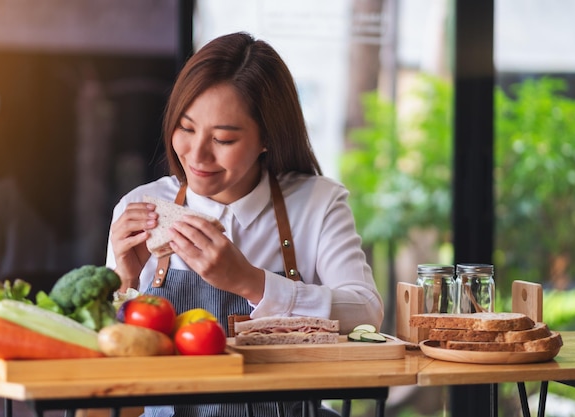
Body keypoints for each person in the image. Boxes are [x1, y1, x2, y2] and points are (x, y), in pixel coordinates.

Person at [106, 32, 384, 417]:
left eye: (223, 138)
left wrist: (249, 281)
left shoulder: (318, 203)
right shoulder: (139, 207)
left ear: (267, 138)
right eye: (186, 129)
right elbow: (106, 352)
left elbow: (367, 311)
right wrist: (125, 280)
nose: (197, 154)